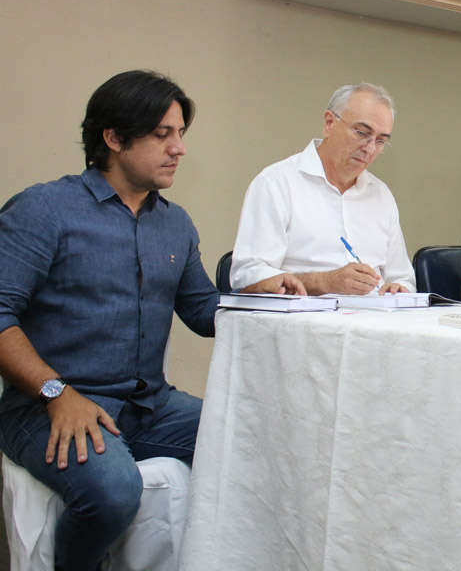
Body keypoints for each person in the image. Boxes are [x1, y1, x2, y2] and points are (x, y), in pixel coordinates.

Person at [0, 70, 302, 571]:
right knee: (116, 493)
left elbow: (204, 312)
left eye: (181, 134)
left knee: (260, 442)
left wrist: (257, 294)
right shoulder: (44, 210)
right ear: (113, 138)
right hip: (48, 404)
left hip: (148, 404)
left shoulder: (175, 222)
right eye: (163, 134)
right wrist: (57, 394)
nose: (179, 149)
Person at [230, 82, 416, 296]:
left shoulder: (380, 194)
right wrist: (325, 281)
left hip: (373, 323)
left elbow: (403, 278)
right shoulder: (277, 183)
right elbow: (247, 276)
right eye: (362, 133)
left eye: (381, 141)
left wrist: (398, 288)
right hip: (302, 322)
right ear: (329, 123)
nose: (370, 149)